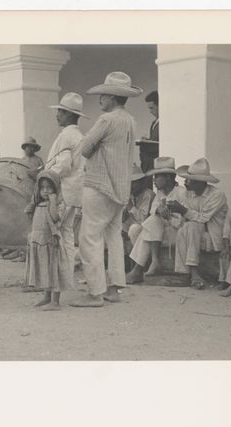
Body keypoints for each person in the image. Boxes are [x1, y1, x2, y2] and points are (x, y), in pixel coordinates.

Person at [71, 71, 142, 307]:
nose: (100, 99)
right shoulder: (130, 121)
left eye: (103, 95)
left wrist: (95, 149)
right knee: (113, 237)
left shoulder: (107, 120)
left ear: (112, 97)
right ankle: (114, 288)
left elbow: (84, 147)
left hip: (100, 184)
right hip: (120, 187)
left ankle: (95, 293)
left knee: (89, 236)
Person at [167, 158, 228, 289]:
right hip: (194, 236)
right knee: (185, 228)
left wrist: (182, 210)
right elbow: (182, 220)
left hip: (212, 236)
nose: (185, 182)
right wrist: (169, 214)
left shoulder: (217, 195)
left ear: (200, 182)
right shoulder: (188, 195)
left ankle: (193, 273)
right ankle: (185, 273)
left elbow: (203, 218)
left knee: (192, 225)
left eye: (189, 179)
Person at [126, 157, 187, 282]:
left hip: (176, 232)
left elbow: (182, 222)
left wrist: (167, 215)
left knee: (151, 223)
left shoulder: (181, 193)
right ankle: (152, 261)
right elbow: (153, 211)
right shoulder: (160, 194)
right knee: (136, 228)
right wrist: (159, 211)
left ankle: (139, 269)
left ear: (168, 178)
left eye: (157, 177)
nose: (154, 180)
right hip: (158, 233)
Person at [24, 170, 75, 311]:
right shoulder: (38, 204)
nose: (45, 191)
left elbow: (54, 218)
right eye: (42, 188)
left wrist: (52, 202)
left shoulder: (58, 204)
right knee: (44, 269)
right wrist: (33, 202)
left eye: (49, 187)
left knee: (54, 270)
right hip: (39, 241)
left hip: (51, 242)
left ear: (56, 188)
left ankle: (55, 302)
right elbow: (29, 214)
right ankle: (47, 297)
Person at [46, 92, 87, 247]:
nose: (57, 115)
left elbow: (63, 165)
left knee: (55, 231)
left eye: (61, 111)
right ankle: (66, 270)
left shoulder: (67, 135)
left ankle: (57, 270)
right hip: (73, 191)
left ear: (70, 114)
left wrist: (45, 176)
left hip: (64, 190)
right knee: (66, 234)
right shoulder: (77, 135)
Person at [137, 90, 159, 184]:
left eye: (152, 108)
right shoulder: (154, 123)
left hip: (156, 163)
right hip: (149, 163)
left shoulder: (166, 123)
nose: (150, 111)